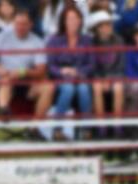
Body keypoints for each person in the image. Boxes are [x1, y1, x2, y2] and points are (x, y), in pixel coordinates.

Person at [0, 5, 52, 116]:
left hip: (27, 82)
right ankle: (3, 111)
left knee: (48, 87)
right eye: (17, 23)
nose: (20, 27)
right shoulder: (2, 36)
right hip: (4, 79)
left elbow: (41, 70)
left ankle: (35, 128)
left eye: (24, 24)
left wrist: (22, 72)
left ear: (31, 25)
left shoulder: (38, 42)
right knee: (6, 80)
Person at [45, 2, 92, 137]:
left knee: (83, 88)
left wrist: (79, 72)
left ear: (80, 21)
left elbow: (91, 64)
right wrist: (62, 71)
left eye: (76, 18)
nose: (73, 22)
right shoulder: (54, 40)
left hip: (81, 77)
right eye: (69, 18)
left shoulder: (87, 40)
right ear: (63, 21)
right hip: (61, 78)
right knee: (68, 88)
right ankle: (57, 129)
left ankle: (86, 129)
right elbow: (51, 65)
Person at [89, 8, 126, 122]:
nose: (108, 27)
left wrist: (110, 78)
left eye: (109, 24)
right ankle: (101, 126)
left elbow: (121, 64)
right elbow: (92, 65)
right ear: (98, 28)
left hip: (116, 76)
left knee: (118, 87)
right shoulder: (92, 42)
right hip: (99, 77)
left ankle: (118, 126)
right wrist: (102, 79)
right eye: (104, 25)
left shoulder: (119, 40)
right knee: (97, 87)